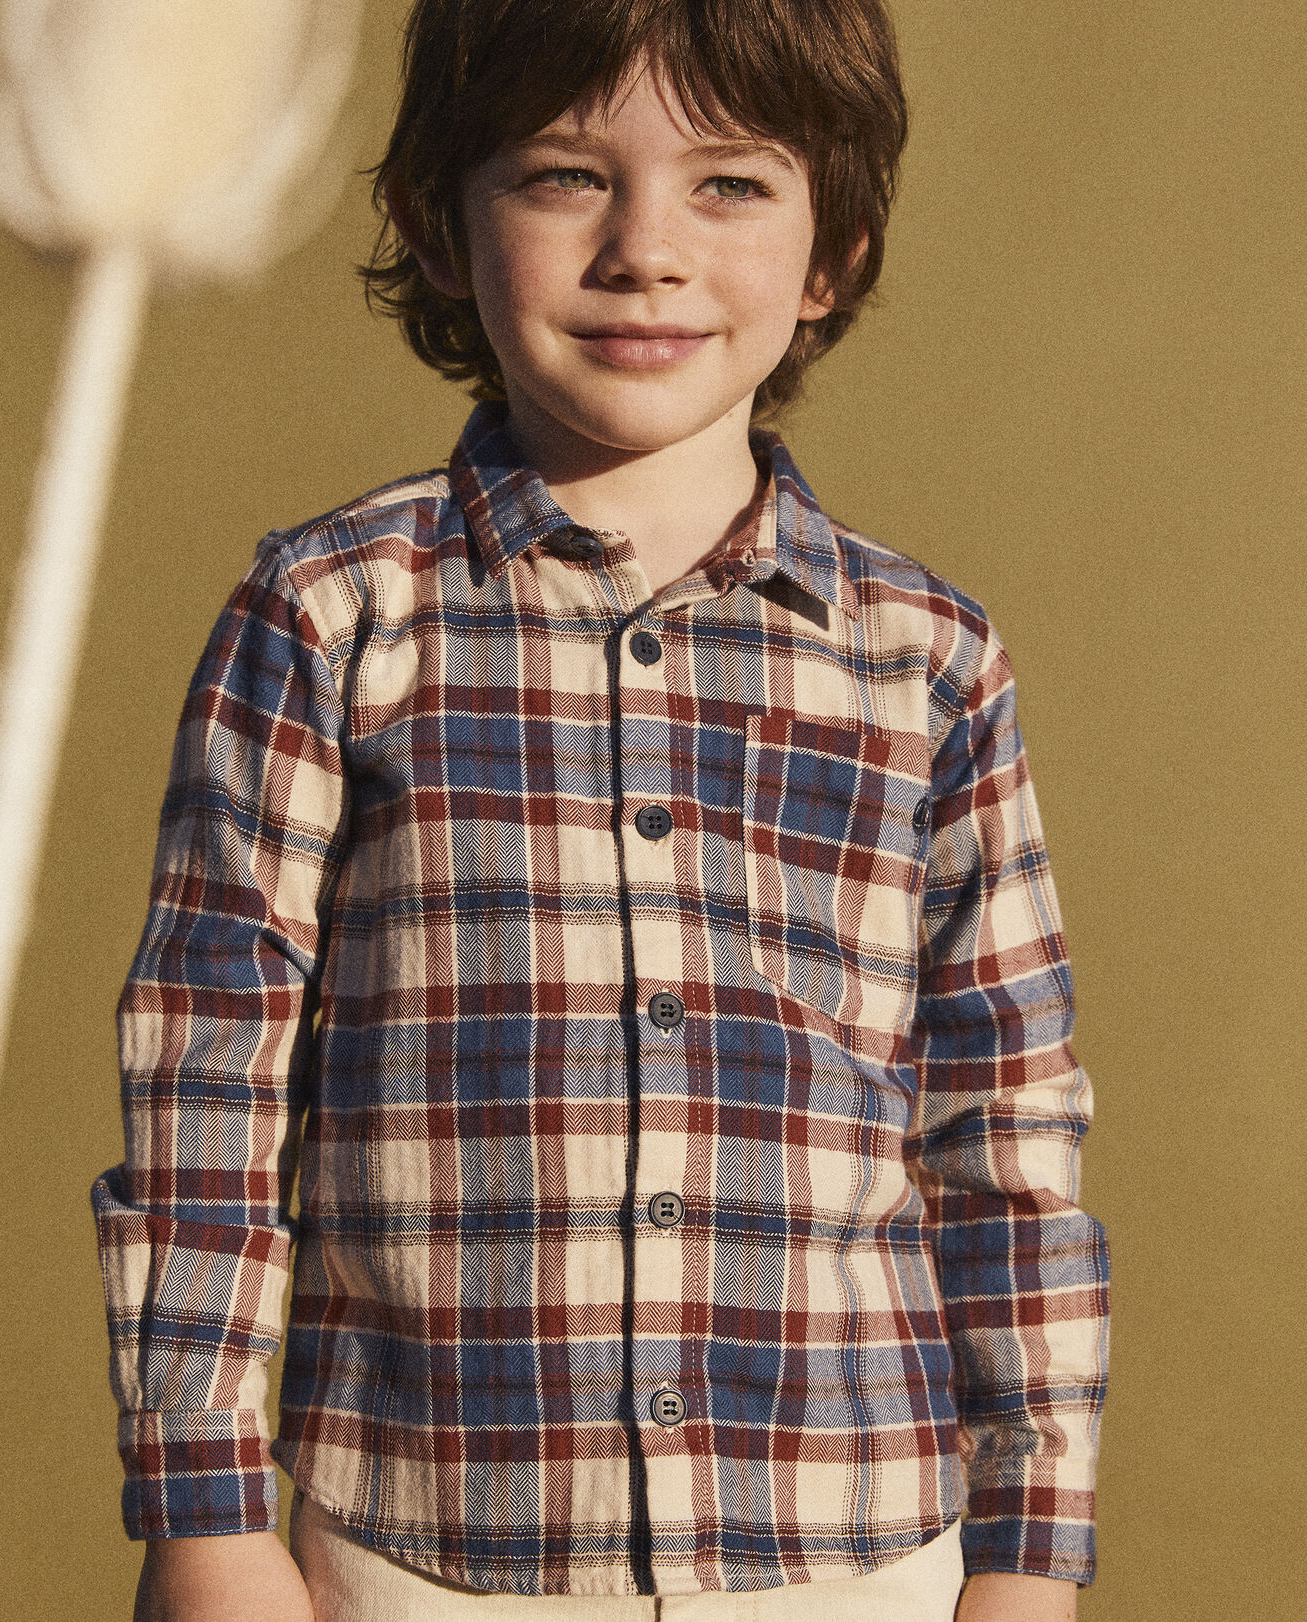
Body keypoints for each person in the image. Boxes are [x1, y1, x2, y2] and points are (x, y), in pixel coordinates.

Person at [92, 2, 1110, 1619]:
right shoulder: (331, 612)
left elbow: (1005, 1131)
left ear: (832, 250)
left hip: (859, 1540)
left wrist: (1030, 1552)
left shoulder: (929, 659)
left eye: (728, 185)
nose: (646, 249)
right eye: (567, 175)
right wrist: (202, 1509)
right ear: (439, 224)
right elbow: (207, 1083)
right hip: (424, 1542)